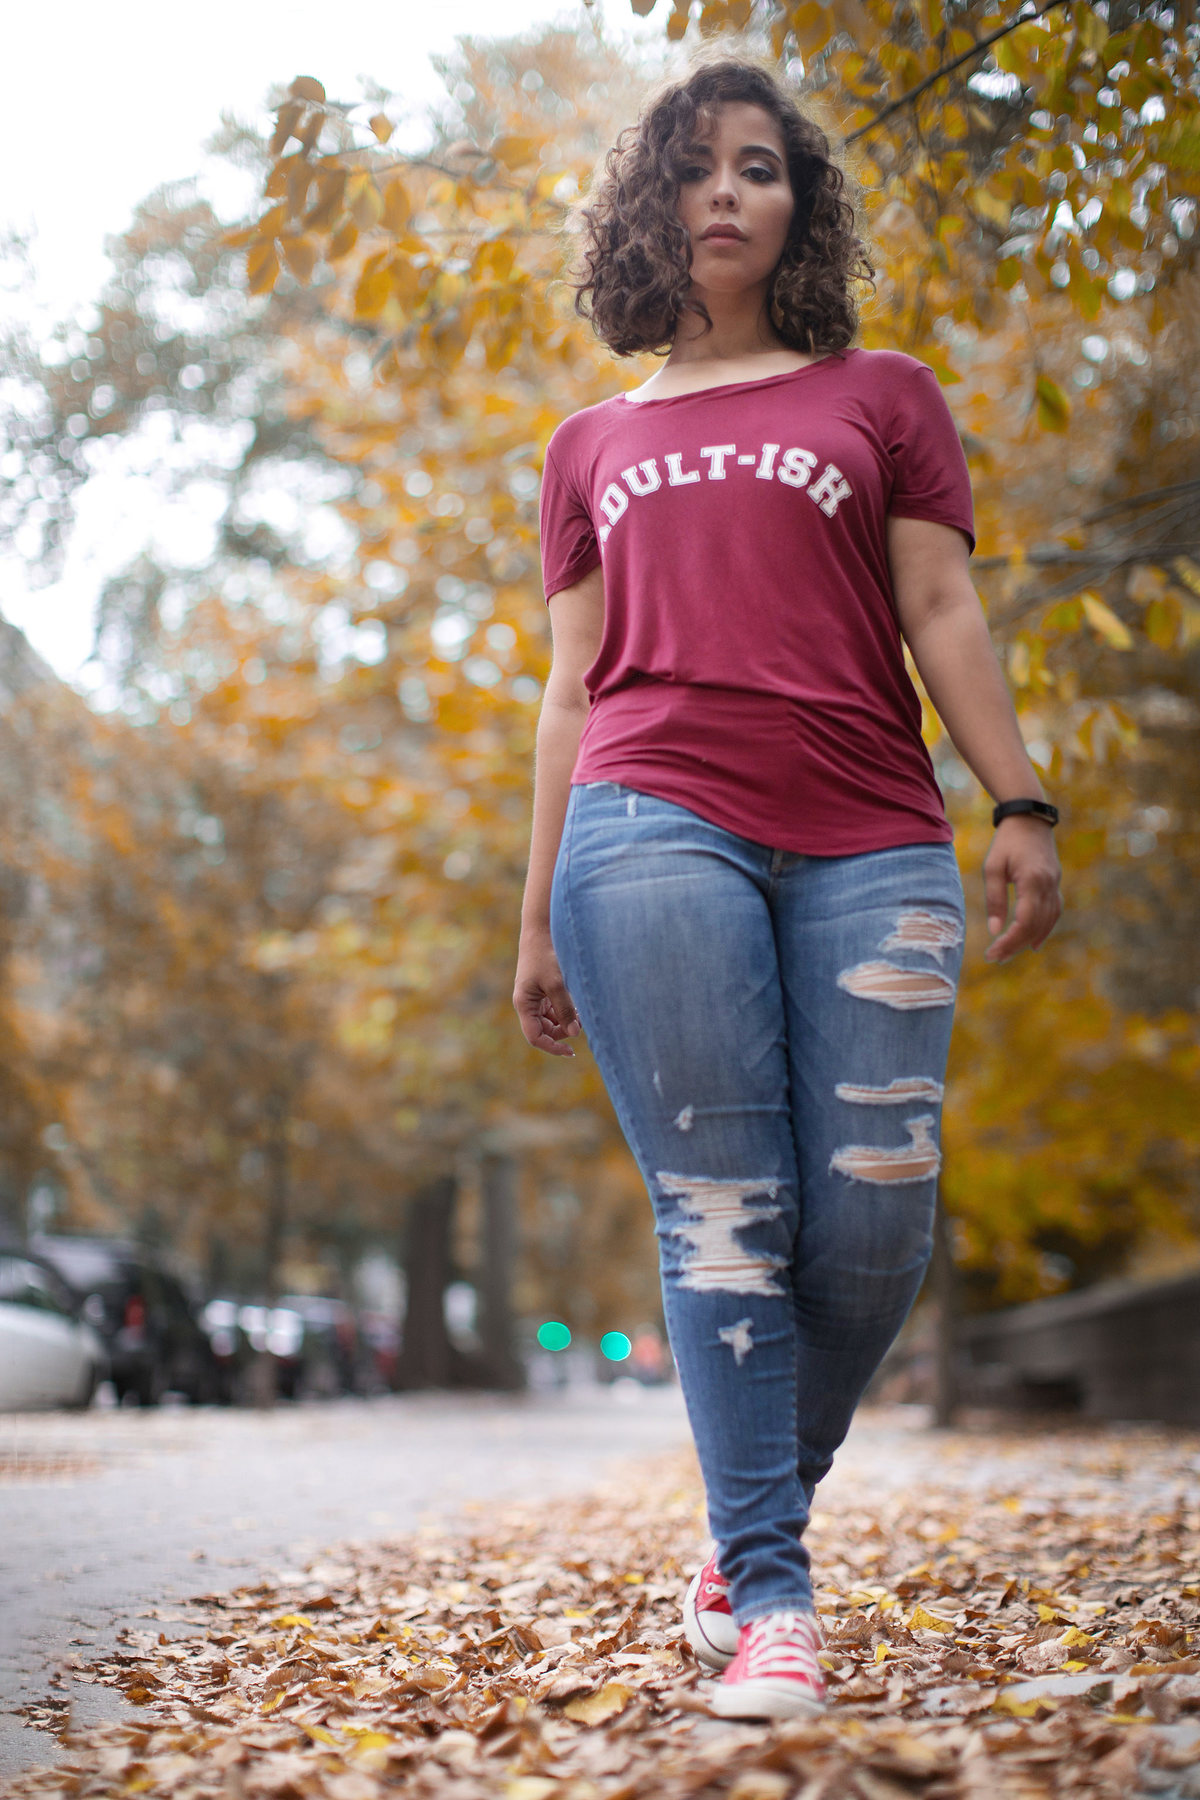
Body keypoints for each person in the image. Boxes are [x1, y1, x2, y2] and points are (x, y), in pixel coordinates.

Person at [513, 54, 1061, 1722]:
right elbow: (568, 690)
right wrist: (534, 912)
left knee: (876, 1213)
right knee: (724, 1217)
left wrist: (1021, 797)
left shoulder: (878, 395)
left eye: (761, 166)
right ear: (648, 206)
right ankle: (772, 1598)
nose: (728, 191)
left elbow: (942, 610)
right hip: (646, 825)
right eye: (694, 167)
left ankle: (749, 1534)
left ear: (796, 204)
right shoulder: (590, 441)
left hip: (873, 828)